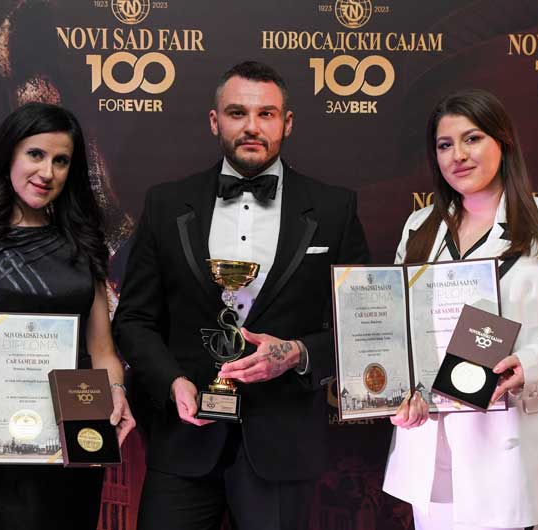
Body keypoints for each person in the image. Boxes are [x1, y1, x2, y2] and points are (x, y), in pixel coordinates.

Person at [112, 61, 369, 530]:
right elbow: (133, 320)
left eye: (266, 114)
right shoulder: (165, 204)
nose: (252, 126)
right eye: (237, 113)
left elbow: (362, 328)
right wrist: (172, 382)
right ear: (215, 121)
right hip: (184, 439)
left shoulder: (335, 208)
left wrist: (295, 354)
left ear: (287, 123)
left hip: (282, 444)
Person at [382, 89, 538, 529]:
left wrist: (529, 364)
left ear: (503, 143)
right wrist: (398, 391)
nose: (458, 155)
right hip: (432, 442)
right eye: (445, 145)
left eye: (472, 139)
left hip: (513, 442)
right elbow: (399, 328)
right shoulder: (419, 227)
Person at [0, 102, 136, 530]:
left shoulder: (84, 242)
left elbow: (103, 351)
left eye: (61, 160)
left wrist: (115, 392)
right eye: (35, 154)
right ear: (9, 156)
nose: (47, 172)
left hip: (71, 448)